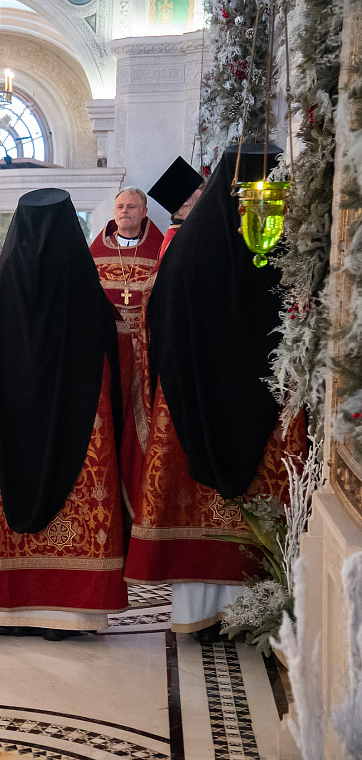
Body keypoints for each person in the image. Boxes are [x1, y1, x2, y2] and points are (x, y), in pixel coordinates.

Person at [124, 145, 307, 641]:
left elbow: (156, 322)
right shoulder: (283, 252)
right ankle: (257, 612)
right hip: (262, 411)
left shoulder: (188, 247)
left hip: (190, 408)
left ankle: (198, 615)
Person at [0, 188, 127, 639]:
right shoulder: (89, 298)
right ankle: (69, 612)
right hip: (76, 427)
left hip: (7, 437)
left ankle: (6, 611)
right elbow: (119, 364)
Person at [89, 187, 163, 519]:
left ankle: (138, 496)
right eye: (120, 206)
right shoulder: (95, 251)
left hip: (146, 354)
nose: (124, 211)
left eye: (132, 206)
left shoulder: (159, 249)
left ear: (144, 212)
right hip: (106, 354)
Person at [148, 157, 205, 258]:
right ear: (186, 200)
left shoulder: (187, 232)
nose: (206, 192)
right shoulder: (180, 241)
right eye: (202, 188)